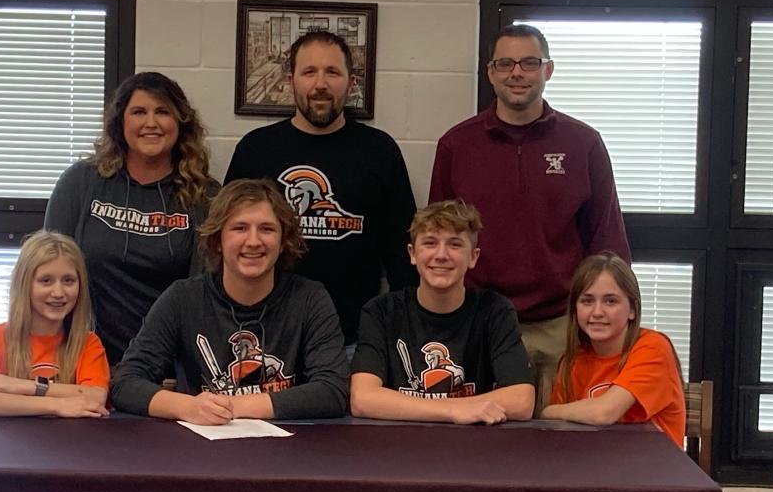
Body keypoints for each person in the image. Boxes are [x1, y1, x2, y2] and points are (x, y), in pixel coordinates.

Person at [429, 24, 631, 412]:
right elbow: (439, 241)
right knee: (487, 438)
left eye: (529, 63)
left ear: (548, 70)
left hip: (563, 324)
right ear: (490, 73)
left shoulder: (583, 143)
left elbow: (607, 241)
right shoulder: (457, 145)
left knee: (562, 437)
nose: (516, 73)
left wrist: (603, 316)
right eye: (505, 63)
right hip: (482, 321)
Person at [224, 30, 417, 351]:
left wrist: (400, 328)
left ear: (351, 82)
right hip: (264, 334)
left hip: (355, 338)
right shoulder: (256, 150)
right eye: (309, 72)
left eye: (333, 72)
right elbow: (226, 243)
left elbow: (402, 251)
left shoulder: (379, 151)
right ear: (291, 80)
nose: (320, 84)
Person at [110, 179, 348, 424]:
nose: (253, 241)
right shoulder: (182, 298)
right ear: (217, 241)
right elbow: (125, 383)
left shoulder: (309, 298)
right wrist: (186, 407)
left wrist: (230, 406)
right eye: (239, 228)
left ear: (283, 241)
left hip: (288, 450)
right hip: (203, 447)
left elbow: (333, 390)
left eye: (267, 229)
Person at [45, 71, 219, 367]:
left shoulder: (205, 195)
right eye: (139, 112)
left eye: (162, 111)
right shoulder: (82, 182)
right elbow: (46, 268)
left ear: (180, 123)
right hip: (84, 357)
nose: (150, 123)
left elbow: (208, 293)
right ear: (120, 122)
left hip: (168, 364)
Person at [350, 200, 534, 424]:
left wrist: (413, 407)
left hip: (475, 446)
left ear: (473, 256)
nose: (441, 255)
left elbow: (521, 401)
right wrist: (453, 411)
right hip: (398, 446)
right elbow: (362, 399)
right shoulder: (381, 311)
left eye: (455, 244)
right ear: (412, 253)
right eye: (430, 243)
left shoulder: (494, 310)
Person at [542, 252, 685, 447]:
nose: (597, 312)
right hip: (596, 467)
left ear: (632, 310)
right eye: (587, 301)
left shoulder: (653, 348)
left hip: (655, 472)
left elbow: (603, 413)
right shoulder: (573, 362)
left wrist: (550, 411)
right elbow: (560, 432)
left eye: (611, 301)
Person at [0, 231, 109, 417]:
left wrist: (22, 386)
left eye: (68, 281)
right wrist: (58, 405)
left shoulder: (88, 342)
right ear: (25, 284)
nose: (58, 292)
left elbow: (95, 397)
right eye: (46, 281)